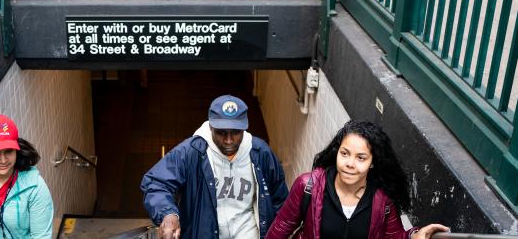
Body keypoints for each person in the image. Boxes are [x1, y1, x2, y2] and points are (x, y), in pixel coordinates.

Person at [266, 120, 450, 239]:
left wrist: (415, 236)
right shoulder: (308, 186)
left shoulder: (382, 200)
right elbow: (279, 231)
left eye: (361, 158)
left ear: (372, 162)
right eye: (344, 154)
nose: (350, 164)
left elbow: (395, 237)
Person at [141, 94, 289, 239]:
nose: (229, 140)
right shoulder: (192, 152)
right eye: (221, 133)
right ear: (211, 126)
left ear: (244, 128)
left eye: (236, 132)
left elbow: (280, 200)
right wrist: (168, 213)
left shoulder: (260, 152)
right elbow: (156, 183)